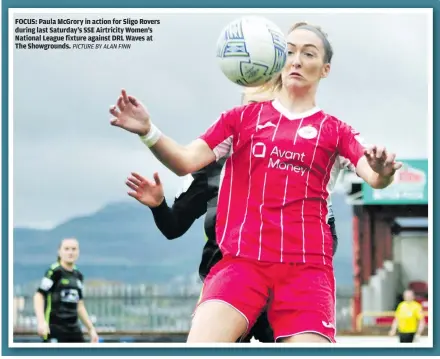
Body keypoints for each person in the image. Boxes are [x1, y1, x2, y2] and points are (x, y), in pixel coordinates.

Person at [110, 21, 401, 343]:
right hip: (242, 265)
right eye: (289, 52)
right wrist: (149, 132)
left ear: (325, 69)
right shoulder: (239, 120)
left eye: (309, 53)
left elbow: (373, 176)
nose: (297, 60)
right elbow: (184, 161)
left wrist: (383, 172)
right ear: (277, 61)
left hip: (306, 271)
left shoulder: (336, 131)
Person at [125, 86, 347, 342]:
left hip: (284, 283)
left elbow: (329, 239)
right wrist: (158, 205)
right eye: (250, 105)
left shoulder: (300, 173)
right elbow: (173, 227)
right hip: (226, 281)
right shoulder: (208, 169)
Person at [33, 238, 99, 343]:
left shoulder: (78, 275)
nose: (70, 252)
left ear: (78, 252)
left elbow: (80, 305)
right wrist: (41, 322)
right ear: (59, 252)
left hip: (74, 329)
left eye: (74, 249)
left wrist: (91, 329)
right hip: (55, 328)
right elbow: (39, 296)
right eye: (66, 249)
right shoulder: (54, 272)